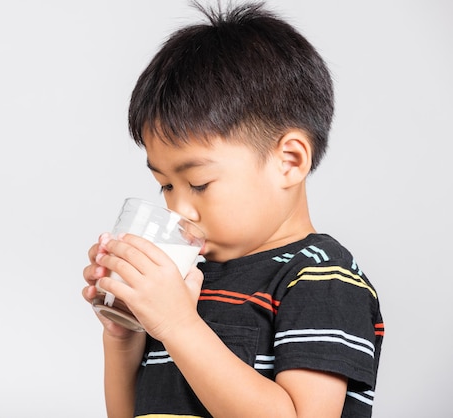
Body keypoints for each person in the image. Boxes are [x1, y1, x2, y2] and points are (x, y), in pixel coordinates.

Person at [81, 1, 385, 417]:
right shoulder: (186, 283)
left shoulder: (321, 279)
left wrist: (177, 326)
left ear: (290, 161)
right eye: (165, 185)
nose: (180, 207)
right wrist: (123, 338)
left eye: (200, 183)